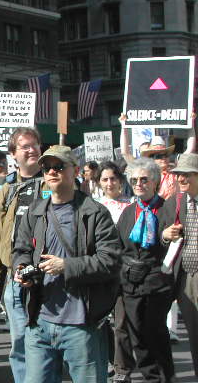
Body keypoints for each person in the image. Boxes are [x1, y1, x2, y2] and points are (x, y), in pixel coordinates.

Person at [13, 145, 121, 382]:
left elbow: (111, 261)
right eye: (47, 167)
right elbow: (21, 251)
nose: (52, 172)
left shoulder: (95, 213)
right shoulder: (35, 212)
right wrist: (21, 270)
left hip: (81, 325)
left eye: (59, 166)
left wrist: (67, 266)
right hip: (40, 322)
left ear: (75, 171)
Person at [0, 127, 46, 378]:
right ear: (13, 154)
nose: (32, 150)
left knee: (44, 343)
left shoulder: (53, 181)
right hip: (14, 279)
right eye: (25, 146)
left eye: (35, 145)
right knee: (19, 345)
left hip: (47, 276)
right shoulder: (5, 192)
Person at [116, 158, 174, 383]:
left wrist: (164, 238)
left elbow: (176, 243)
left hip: (157, 282)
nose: (139, 183)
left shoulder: (166, 209)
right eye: (134, 180)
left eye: (144, 179)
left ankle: (163, 377)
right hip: (130, 282)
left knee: (155, 331)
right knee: (137, 334)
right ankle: (152, 376)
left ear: (155, 182)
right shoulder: (128, 212)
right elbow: (117, 246)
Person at [93, 160, 135, 382]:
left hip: (125, 272)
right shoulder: (93, 206)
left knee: (121, 323)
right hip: (101, 273)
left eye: (113, 178)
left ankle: (122, 368)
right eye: (104, 179)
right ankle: (107, 360)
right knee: (99, 322)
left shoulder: (132, 205)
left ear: (120, 180)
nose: (109, 183)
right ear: (99, 183)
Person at [160, 152, 198, 379]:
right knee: (194, 335)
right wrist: (166, 235)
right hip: (186, 278)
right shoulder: (174, 202)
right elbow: (160, 235)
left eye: (187, 175)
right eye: (178, 175)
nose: (181, 179)